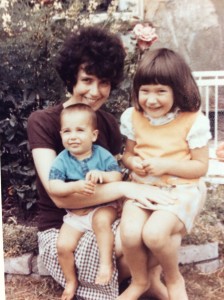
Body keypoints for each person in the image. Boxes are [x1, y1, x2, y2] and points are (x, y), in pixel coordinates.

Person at [27, 26, 171, 300]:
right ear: (71, 78)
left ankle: (143, 282)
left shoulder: (105, 123)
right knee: (134, 240)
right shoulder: (43, 122)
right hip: (63, 228)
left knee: (158, 226)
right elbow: (60, 198)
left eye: (103, 82)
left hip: (105, 217)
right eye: (87, 80)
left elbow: (115, 174)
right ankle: (120, 283)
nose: (95, 91)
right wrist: (125, 190)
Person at [118, 48, 211, 300]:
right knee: (129, 234)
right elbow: (127, 155)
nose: (151, 99)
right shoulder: (133, 116)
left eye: (161, 91)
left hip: (179, 190)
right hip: (143, 189)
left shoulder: (193, 120)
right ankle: (140, 282)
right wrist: (133, 162)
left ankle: (173, 278)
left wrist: (165, 165)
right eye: (145, 90)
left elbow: (200, 167)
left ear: (178, 90)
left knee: (155, 234)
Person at [49, 103, 122, 300]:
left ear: (93, 135)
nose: (72, 136)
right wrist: (73, 187)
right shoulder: (61, 160)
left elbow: (117, 177)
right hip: (76, 214)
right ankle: (71, 281)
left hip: (103, 207)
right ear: (61, 134)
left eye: (80, 130)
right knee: (63, 246)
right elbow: (54, 187)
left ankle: (106, 263)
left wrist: (102, 175)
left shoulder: (102, 155)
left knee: (100, 222)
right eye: (67, 131)